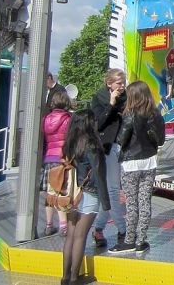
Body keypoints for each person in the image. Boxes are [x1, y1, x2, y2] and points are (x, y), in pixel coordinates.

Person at [110, 81, 165, 254]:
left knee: (131, 203)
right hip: (149, 161)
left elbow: (121, 139)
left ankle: (129, 240)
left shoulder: (130, 114)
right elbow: (161, 140)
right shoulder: (156, 114)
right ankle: (141, 241)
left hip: (130, 162)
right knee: (144, 201)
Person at [60, 110, 110, 285]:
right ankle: (75, 278)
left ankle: (65, 277)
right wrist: (106, 201)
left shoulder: (70, 144)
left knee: (71, 236)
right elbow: (98, 174)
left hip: (72, 193)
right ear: (89, 124)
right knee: (81, 236)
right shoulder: (92, 145)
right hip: (89, 193)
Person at [89, 68, 128, 249]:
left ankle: (98, 228)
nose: (122, 87)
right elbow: (99, 123)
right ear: (109, 84)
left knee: (110, 192)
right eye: (119, 83)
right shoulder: (100, 99)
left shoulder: (126, 98)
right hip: (106, 147)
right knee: (112, 190)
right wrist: (111, 105)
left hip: (119, 146)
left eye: (123, 83)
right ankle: (122, 230)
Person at [41, 90, 72, 237]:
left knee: (50, 192)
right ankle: (64, 225)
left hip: (49, 158)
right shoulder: (68, 119)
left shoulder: (46, 119)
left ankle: (48, 224)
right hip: (62, 159)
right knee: (61, 191)